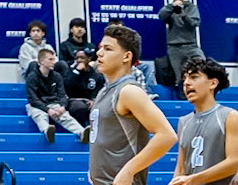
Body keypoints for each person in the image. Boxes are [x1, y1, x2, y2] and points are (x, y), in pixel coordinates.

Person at [89, 24, 177, 185]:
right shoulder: (104, 91)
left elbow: (167, 135)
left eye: (108, 49)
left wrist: (129, 170)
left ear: (127, 56)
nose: (99, 53)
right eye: (100, 47)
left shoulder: (129, 91)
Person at [170, 56, 238, 185]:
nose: (186, 83)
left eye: (194, 77)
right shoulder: (183, 121)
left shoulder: (230, 116)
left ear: (213, 83)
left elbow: (234, 162)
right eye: (184, 78)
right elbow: (181, 168)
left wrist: (193, 179)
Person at [25, 45, 86, 143]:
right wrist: (47, 110)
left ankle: (82, 133)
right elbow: (33, 99)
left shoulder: (57, 76)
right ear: (41, 61)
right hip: (36, 105)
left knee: (65, 116)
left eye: (54, 59)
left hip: (53, 103)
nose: (54, 62)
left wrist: (63, 107)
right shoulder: (32, 77)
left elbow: (62, 94)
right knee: (39, 115)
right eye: (50, 59)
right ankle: (47, 131)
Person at [160, 0, 204, 89]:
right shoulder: (170, 9)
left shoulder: (191, 7)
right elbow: (161, 16)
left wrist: (184, 14)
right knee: (180, 77)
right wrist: (172, 7)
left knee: (202, 66)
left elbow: (195, 23)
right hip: (174, 47)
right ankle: (182, 97)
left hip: (190, 45)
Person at [63, 49, 105, 126]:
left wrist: (94, 99)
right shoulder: (71, 72)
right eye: (77, 58)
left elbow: (99, 89)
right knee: (80, 108)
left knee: (102, 108)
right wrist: (77, 71)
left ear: (89, 59)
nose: (79, 60)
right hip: (74, 100)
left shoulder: (96, 75)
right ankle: (81, 131)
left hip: (90, 100)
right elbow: (68, 87)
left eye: (82, 58)